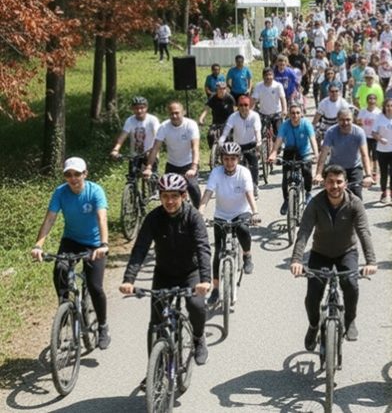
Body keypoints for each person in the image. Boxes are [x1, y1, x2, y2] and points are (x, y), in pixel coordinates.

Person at [119, 173, 211, 372]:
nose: (169, 201)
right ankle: (154, 370)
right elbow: (140, 249)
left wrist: (205, 280)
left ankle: (198, 337)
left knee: (196, 305)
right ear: (159, 197)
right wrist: (129, 279)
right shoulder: (154, 218)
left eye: (174, 196)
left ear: (183, 195)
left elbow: (203, 248)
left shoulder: (193, 217)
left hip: (190, 272)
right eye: (165, 196)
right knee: (156, 323)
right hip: (164, 273)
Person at [290, 164, 377, 349]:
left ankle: (350, 320)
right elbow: (304, 231)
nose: (335, 186)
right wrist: (297, 260)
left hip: (347, 252)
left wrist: (371, 261)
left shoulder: (355, 203)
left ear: (345, 183)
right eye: (330, 182)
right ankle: (314, 325)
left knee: (351, 285)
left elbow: (363, 232)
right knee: (312, 296)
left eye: (339, 182)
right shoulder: (315, 203)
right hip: (320, 253)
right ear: (324, 183)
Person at [31, 157, 111, 350]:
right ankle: (65, 307)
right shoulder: (60, 192)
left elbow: (102, 218)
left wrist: (104, 244)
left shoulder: (95, 191)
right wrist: (39, 245)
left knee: (95, 286)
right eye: (68, 174)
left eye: (77, 174)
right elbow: (50, 219)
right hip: (71, 241)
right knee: (59, 268)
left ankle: (102, 326)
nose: (73, 178)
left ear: (85, 174)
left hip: (94, 244)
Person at [199, 142, 260, 304]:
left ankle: (247, 255)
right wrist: (200, 212)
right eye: (226, 159)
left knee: (242, 229)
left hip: (241, 212)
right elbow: (207, 194)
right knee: (218, 252)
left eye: (233, 159)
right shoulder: (216, 173)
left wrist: (255, 212)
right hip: (221, 214)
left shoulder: (244, 172)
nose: (229, 162)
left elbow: (249, 194)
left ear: (238, 159)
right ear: (221, 159)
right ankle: (216, 288)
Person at [144, 101, 202, 206]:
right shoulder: (164, 127)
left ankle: (200, 215)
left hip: (189, 163)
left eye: (177, 113)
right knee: (166, 191)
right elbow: (156, 148)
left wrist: (194, 167)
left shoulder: (191, 125)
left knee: (193, 187)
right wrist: (148, 167)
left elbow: (195, 148)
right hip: (172, 164)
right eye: (171, 113)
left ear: (183, 112)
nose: (174, 116)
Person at [268, 105, 319, 215]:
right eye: (292, 113)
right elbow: (279, 140)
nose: (295, 115)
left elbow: (313, 139)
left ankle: (308, 193)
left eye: (297, 113)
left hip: (304, 152)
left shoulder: (306, 124)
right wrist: (273, 153)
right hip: (289, 151)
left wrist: (316, 154)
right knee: (286, 177)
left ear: (301, 114)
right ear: (289, 115)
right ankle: (286, 200)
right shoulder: (285, 125)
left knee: (307, 171)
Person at [315, 108, 375, 199]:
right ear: (337, 120)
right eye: (342, 120)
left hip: (354, 168)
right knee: (331, 194)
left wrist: (368, 175)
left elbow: (364, 155)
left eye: (348, 120)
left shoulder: (359, 132)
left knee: (357, 195)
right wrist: (318, 174)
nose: (345, 123)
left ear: (353, 120)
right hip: (336, 168)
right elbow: (323, 154)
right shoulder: (331, 132)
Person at [218, 95, 261, 194]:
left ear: (249, 106)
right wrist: (221, 140)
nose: (243, 107)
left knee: (253, 164)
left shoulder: (254, 116)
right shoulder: (233, 117)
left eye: (246, 105)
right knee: (235, 165)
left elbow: (257, 130)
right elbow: (226, 131)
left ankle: (254, 185)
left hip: (251, 144)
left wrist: (259, 141)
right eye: (241, 105)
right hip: (238, 145)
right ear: (238, 106)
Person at [110, 96, 161, 179]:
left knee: (152, 178)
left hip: (150, 154)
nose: (139, 110)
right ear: (132, 109)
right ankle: (132, 190)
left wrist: (153, 150)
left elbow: (157, 137)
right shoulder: (130, 120)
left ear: (146, 108)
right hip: (135, 154)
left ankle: (154, 191)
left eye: (142, 108)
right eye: (136, 108)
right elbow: (122, 136)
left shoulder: (152, 120)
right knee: (132, 178)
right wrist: (116, 149)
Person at [251, 67, 287, 140]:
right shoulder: (258, 86)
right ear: (263, 76)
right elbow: (254, 99)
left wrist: (284, 110)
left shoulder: (278, 85)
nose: (268, 77)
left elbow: (282, 98)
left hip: (276, 113)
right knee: (260, 133)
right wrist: (250, 111)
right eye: (266, 75)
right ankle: (263, 148)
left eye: (270, 75)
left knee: (278, 133)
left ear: (273, 76)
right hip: (263, 113)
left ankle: (278, 147)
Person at [198, 82, 236, 150]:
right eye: (220, 89)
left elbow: (235, 111)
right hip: (216, 122)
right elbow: (206, 110)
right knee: (210, 135)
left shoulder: (229, 98)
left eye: (224, 88)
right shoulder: (213, 97)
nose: (222, 90)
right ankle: (213, 151)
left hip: (228, 122)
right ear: (217, 90)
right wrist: (201, 118)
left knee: (230, 138)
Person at [359, 93, 381, 181]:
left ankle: (375, 172)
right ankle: (368, 172)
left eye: (373, 99)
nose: (372, 101)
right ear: (367, 100)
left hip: (374, 137)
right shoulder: (363, 111)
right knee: (366, 155)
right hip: (365, 136)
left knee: (375, 156)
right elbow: (359, 121)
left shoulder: (379, 112)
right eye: (370, 99)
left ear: (376, 101)